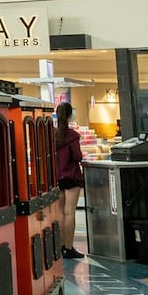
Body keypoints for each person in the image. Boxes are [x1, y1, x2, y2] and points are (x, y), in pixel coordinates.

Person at [52, 102, 87, 259]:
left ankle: (59, 246)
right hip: (72, 177)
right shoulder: (72, 136)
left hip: (57, 177)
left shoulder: (52, 135)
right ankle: (68, 247)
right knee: (69, 212)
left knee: (59, 212)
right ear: (69, 116)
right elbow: (78, 156)